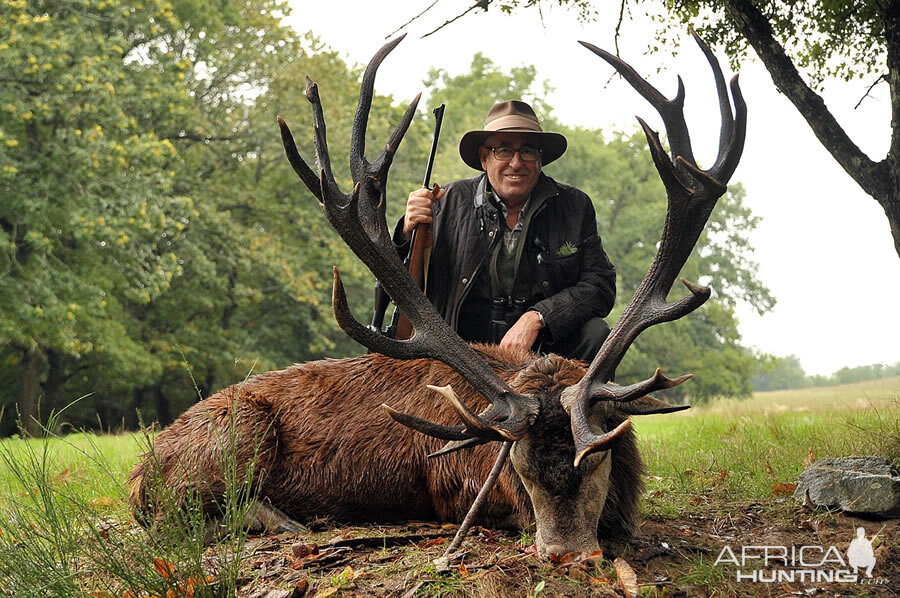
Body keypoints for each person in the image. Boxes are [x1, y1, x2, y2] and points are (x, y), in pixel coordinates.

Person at [395, 100, 616, 362]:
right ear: (484, 158)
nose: (516, 162)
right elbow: (396, 284)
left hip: (543, 353)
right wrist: (406, 233)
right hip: (458, 353)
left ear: (540, 158)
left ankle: (581, 404)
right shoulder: (446, 201)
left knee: (597, 334)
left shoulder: (574, 206)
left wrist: (539, 316)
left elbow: (600, 284)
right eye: (503, 150)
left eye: (527, 151)